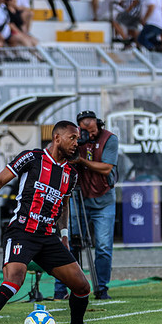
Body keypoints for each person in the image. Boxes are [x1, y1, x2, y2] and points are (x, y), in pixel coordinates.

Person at [0, 120, 107, 324]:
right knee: (13, 281)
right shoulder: (32, 158)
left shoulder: (71, 173)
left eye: (78, 139)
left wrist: (64, 235)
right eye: (72, 138)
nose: (76, 143)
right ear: (57, 138)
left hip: (48, 237)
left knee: (82, 286)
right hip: (22, 231)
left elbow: (63, 205)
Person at [54, 110, 119, 301]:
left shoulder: (109, 139)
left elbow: (107, 168)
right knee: (70, 243)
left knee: (103, 246)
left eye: (91, 130)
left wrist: (81, 160)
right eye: (84, 131)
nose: (88, 134)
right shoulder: (75, 140)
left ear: (97, 123)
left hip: (104, 199)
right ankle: (62, 289)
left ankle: (102, 288)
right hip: (77, 196)